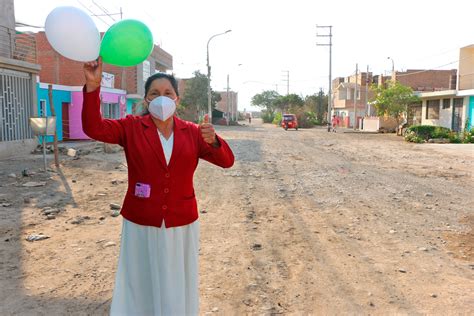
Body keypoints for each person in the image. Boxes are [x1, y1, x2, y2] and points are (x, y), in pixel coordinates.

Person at [82, 57, 235, 315]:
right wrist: (93, 86)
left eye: (167, 93)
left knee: (177, 280)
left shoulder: (193, 132)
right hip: (141, 220)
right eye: (154, 93)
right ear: (146, 100)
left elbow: (227, 161)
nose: (161, 98)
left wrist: (215, 140)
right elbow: (93, 127)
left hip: (181, 221)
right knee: (140, 279)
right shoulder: (131, 127)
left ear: (176, 100)